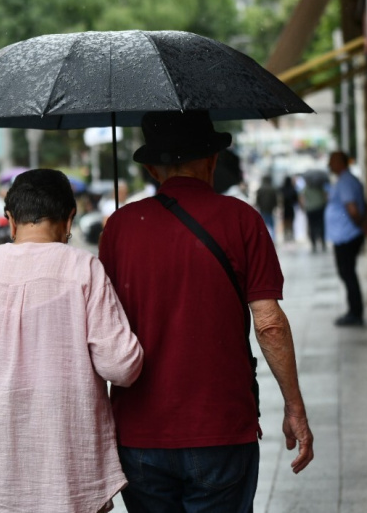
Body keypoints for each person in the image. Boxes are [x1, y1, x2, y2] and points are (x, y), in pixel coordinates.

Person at [99, 111, 314, 513]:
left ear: (150, 168)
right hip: (221, 427)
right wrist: (294, 407)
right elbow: (268, 324)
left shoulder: (119, 227)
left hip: (139, 434)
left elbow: (100, 333)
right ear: (213, 160)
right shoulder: (242, 219)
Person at [0, 168, 144, 512]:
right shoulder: (84, 269)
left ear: (11, 220)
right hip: (65, 472)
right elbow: (121, 367)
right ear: (69, 218)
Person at [326, 151, 367, 326]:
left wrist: (361, 226)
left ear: (340, 163)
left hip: (347, 235)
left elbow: (352, 208)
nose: (329, 164)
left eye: (332, 161)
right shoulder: (346, 179)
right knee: (347, 273)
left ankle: (355, 313)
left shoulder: (345, 181)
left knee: (348, 273)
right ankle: (354, 311)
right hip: (346, 234)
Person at [300, 176, 328, 253]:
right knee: (321, 225)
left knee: (312, 226)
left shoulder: (306, 188)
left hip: (310, 209)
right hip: (320, 208)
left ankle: (314, 243)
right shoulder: (319, 187)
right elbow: (325, 196)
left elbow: (302, 198)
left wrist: (303, 207)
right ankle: (322, 242)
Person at [255, 175, 279, 240]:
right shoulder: (272, 189)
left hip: (262, 209)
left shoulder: (260, 189)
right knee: (271, 225)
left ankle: (264, 239)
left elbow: (257, 200)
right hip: (270, 210)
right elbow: (275, 200)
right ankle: (273, 239)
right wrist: (275, 206)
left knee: (263, 225)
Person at [280, 176, 299, 242]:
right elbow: (296, 200)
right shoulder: (293, 189)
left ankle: (285, 235)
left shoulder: (282, 189)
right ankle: (291, 235)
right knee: (291, 222)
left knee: (285, 222)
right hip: (291, 208)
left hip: (285, 208)